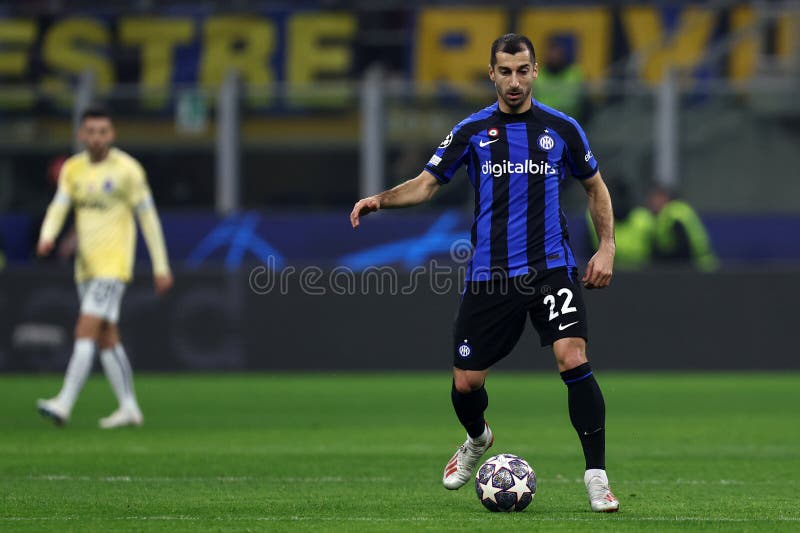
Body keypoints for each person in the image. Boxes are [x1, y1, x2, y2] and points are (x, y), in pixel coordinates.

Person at [351, 34, 619, 512]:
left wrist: (607, 247)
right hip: (490, 276)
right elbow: (427, 184)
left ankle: (597, 477)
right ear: (491, 74)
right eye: (504, 71)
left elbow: (595, 187)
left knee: (572, 357)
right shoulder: (472, 130)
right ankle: (478, 438)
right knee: (466, 384)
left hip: (550, 269)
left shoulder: (562, 128)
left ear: (535, 71)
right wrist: (380, 200)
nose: (514, 81)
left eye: (522, 70)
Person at [36, 105, 173, 429]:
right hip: (86, 267)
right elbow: (59, 205)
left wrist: (161, 266)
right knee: (107, 337)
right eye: (91, 132)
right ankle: (128, 407)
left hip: (114, 266)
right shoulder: (73, 169)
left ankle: (64, 403)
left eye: (103, 132)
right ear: (82, 134)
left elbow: (148, 219)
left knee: (85, 329)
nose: (97, 138)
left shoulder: (128, 171)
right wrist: (47, 235)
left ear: (111, 134)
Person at [647, 184, 719, 272]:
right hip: (698, 265)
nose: (652, 202)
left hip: (698, 266)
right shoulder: (670, 213)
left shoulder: (674, 214)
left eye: (655, 198)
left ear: (664, 197)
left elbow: (684, 249)